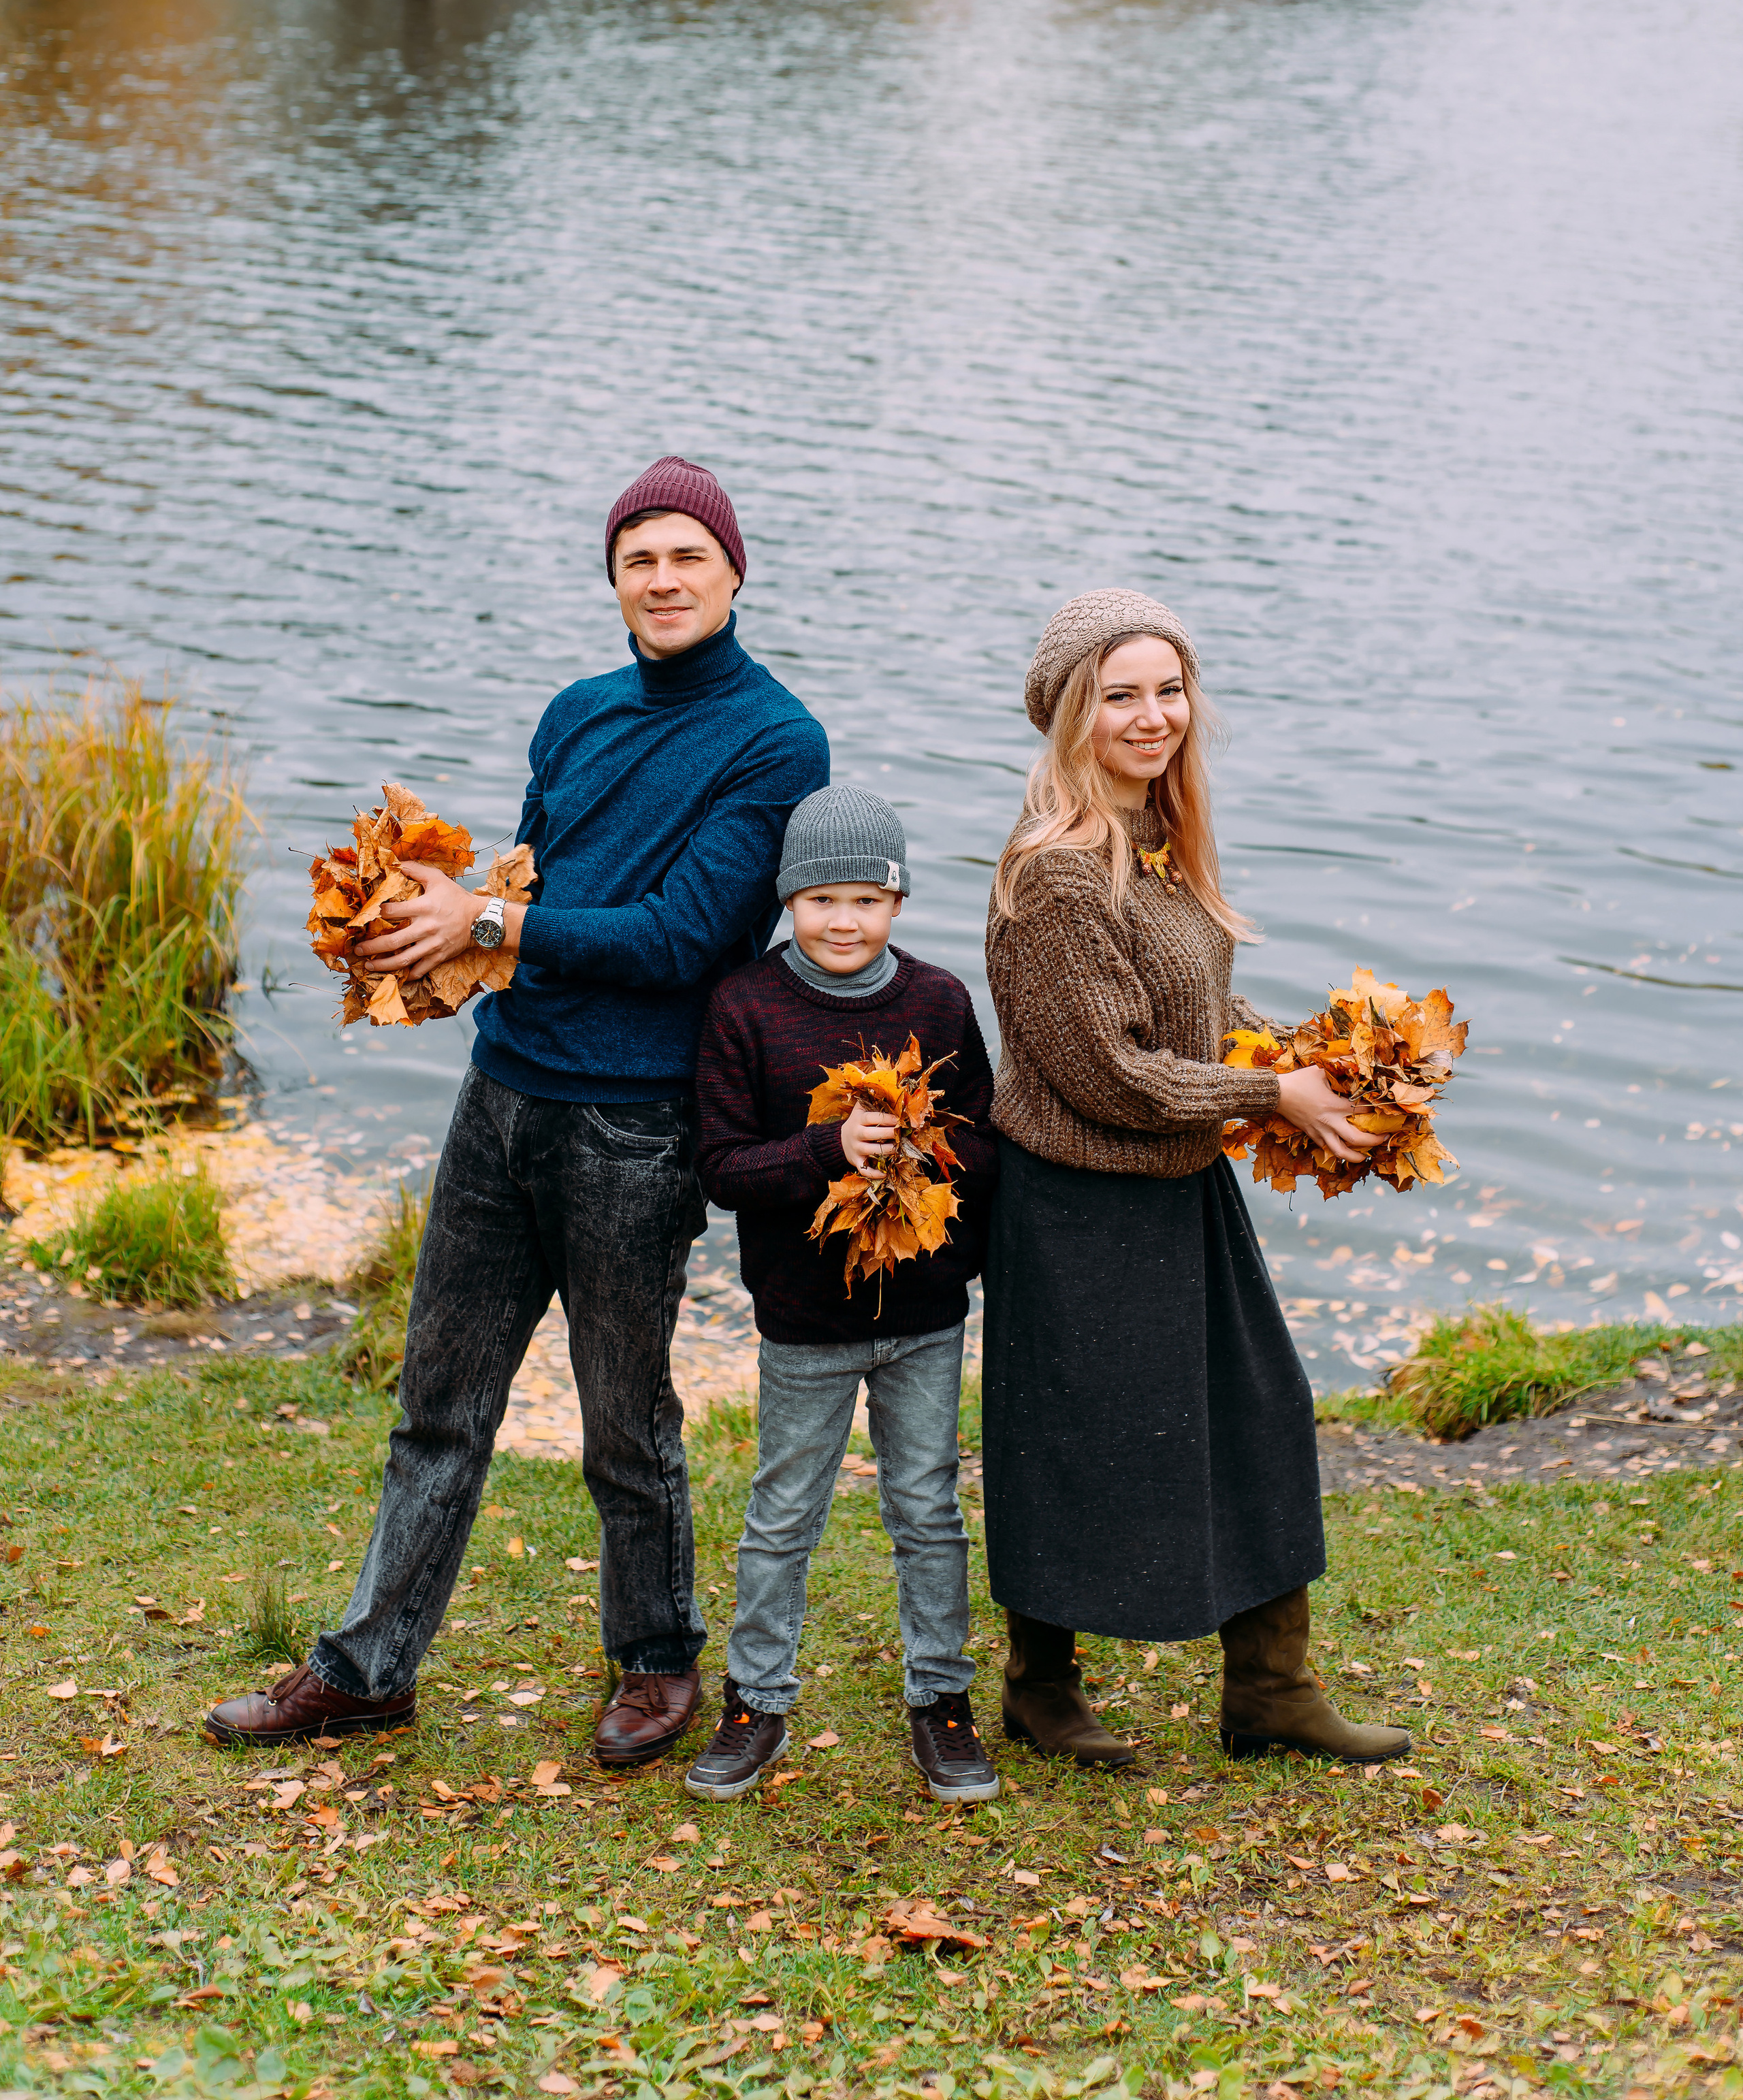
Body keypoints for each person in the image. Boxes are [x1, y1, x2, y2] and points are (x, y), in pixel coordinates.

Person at [204, 457, 829, 1768]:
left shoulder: (780, 741)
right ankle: (368, 1668)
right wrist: (428, 942)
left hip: (636, 1126)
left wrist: (490, 918)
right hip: (502, 1094)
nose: (661, 579)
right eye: (637, 558)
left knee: (625, 1419)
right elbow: (535, 897)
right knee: (439, 1397)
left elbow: (682, 937)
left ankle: (656, 1660)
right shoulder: (575, 713)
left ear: (734, 573)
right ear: (613, 579)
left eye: (685, 557)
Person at [980, 588, 1410, 1769]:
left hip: (1177, 1191)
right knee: (1074, 1439)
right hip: (1075, 1206)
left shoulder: (1159, 845)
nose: (1153, 714)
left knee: (1259, 1411)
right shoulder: (1058, 875)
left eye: (1169, 690)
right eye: (1122, 694)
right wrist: (1275, 1099)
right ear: (1073, 712)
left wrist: (1306, 1066)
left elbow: (1194, 1013)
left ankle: (1271, 1689)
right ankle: (1040, 1681)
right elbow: (1111, 1072)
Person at [688, 784, 1001, 1803]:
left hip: (924, 1317)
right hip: (802, 1319)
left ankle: (942, 1703)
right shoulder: (746, 1006)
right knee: (784, 1512)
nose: (843, 920)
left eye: (866, 899)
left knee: (929, 1507)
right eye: (821, 899)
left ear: (898, 903)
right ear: (788, 901)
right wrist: (830, 1146)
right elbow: (724, 1166)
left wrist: (925, 1154)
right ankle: (756, 1703)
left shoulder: (941, 1003)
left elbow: (983, 1146)